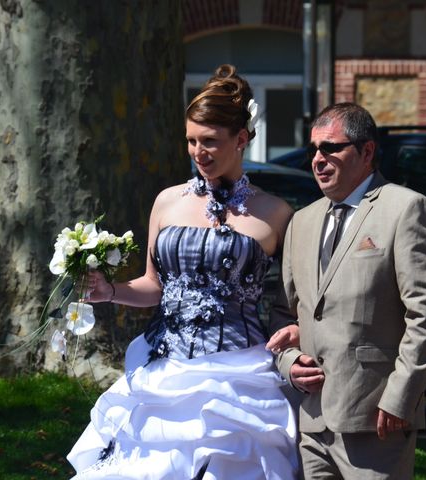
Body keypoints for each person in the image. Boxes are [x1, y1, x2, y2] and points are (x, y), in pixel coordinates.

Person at [66, 64, 300, 480]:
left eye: (210, 141)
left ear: (242, 139)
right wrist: (109, 290)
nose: (198, 152)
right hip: (165, 366)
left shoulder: (276, 213)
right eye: (191, 141)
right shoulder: (167, 202)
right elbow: (154, 286)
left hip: (238, 371)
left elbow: (293, 299)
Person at [271, 103, 426, 479]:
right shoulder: (301, 222)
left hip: (377, 418)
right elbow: (285, 314)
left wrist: (402, 396)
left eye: (330, 148)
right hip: (312, 419)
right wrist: (289, 364)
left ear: (367, 151)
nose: (318, 159)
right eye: (312, 150)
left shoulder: (407, 209)